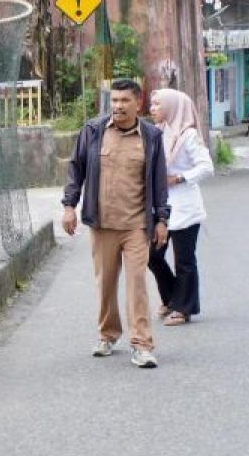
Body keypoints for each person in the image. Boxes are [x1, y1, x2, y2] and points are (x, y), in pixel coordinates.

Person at [61, 79, 170, 369]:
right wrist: (69, 206)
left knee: (137, 284)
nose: (118, 106)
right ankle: (108, 335)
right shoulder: (94, 130)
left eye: (125, 101)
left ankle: (142, 345)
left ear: (138, 103)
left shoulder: (151, 136)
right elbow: (77, 170)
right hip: (102, 224)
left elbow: (159, 181)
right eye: (115, 100)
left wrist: (162, 219)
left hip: (137, 225)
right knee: (106, 284)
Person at [148, 89, 214, 325]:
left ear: (172, 106)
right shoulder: (159, 132)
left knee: (184, 260)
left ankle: (183, 308)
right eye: (152, 104)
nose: (152, 108)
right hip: (162, 207)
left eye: (157, 104)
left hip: (185, 207)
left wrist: (178, 178)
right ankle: (172, 298)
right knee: (152, 256)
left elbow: (207, 167)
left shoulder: (189, 135)